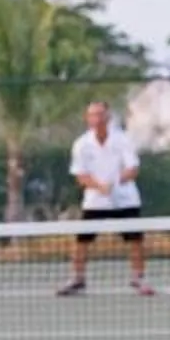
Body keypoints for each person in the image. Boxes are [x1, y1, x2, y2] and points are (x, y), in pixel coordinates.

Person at [58, 97, 148, 297]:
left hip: (126, 199)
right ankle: (77, 279)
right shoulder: (81, 144)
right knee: (82, 241)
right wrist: (99, 186)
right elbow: (81, 176)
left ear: (107, 117)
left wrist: (115, 183)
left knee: (135, 240)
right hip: (95, 202)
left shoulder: (123, 140)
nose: (97, 118)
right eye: (92, 115)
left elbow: (132, 170)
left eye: (100, 114)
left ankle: (138, 278)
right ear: (87, 119)